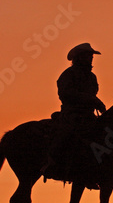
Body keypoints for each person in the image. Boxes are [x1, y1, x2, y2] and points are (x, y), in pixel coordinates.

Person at [42, 43, 106, 188]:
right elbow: (65, 93)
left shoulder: (92, 77)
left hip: (88, 115)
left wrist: (96, 103)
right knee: (66, 134)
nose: (91, 58)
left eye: (91, 56)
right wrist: (91, 100)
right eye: (88, 55)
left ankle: (92, 171)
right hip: (71, 114)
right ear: (79, 57)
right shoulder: (68, 74)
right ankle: (51, 164)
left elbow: (92, 94)